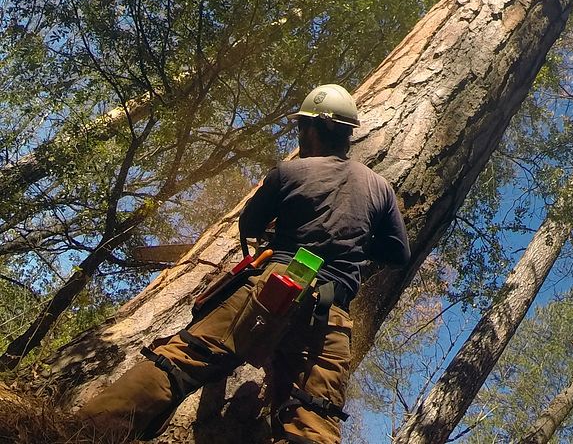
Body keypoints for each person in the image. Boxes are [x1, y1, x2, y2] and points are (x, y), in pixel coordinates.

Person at [78, 83, 410, 444]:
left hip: (275, 284)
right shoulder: (380, 188)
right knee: (314, 419)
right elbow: (397, 254)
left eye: (302, 127)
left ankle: (80, 433)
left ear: (314, 129)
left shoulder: (289, 173)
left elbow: (249, 225)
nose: (301, 135)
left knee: (179, 363)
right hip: (330, 311)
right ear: (347, 135)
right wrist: (356, 245)